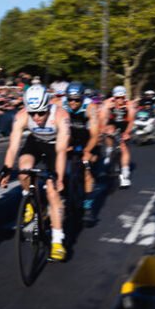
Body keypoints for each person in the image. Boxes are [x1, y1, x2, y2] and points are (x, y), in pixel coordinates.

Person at [0, 85, 71, 261]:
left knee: (53, 192)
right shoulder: (22, 115)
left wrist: (58, 177)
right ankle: (30, 200)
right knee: (23, 170)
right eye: (33, 114)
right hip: (35, 143)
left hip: (55, 146)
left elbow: (61, 151)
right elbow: (13, 146)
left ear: (47, 107)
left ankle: (58, 242)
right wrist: (6, 169)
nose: (36, 118)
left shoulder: (61, 116)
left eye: (41, 113)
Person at [62, 82, 99, 221]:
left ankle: (88, 206)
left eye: (77, 99)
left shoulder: (90, 107)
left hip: (88, 139)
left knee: (87, 167)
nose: (73, 102)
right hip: (71, 138)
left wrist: (88, 151)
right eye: (70, 99)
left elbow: (95, 135)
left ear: (82, 98)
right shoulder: (62, 105)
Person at [100, 85, 135, 188]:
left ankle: (125, 174)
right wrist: (103, 128)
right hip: (112, 124)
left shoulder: (129, 105)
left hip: (125, 125)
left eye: (122, 98)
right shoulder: (108, 103)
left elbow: (131, 120)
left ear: (125, 97)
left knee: (124, 147)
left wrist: (127, 133)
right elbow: (102, 118)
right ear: (114, 97)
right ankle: (109, 149)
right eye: (117, 98)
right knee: (109, 130)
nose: (120, 100)